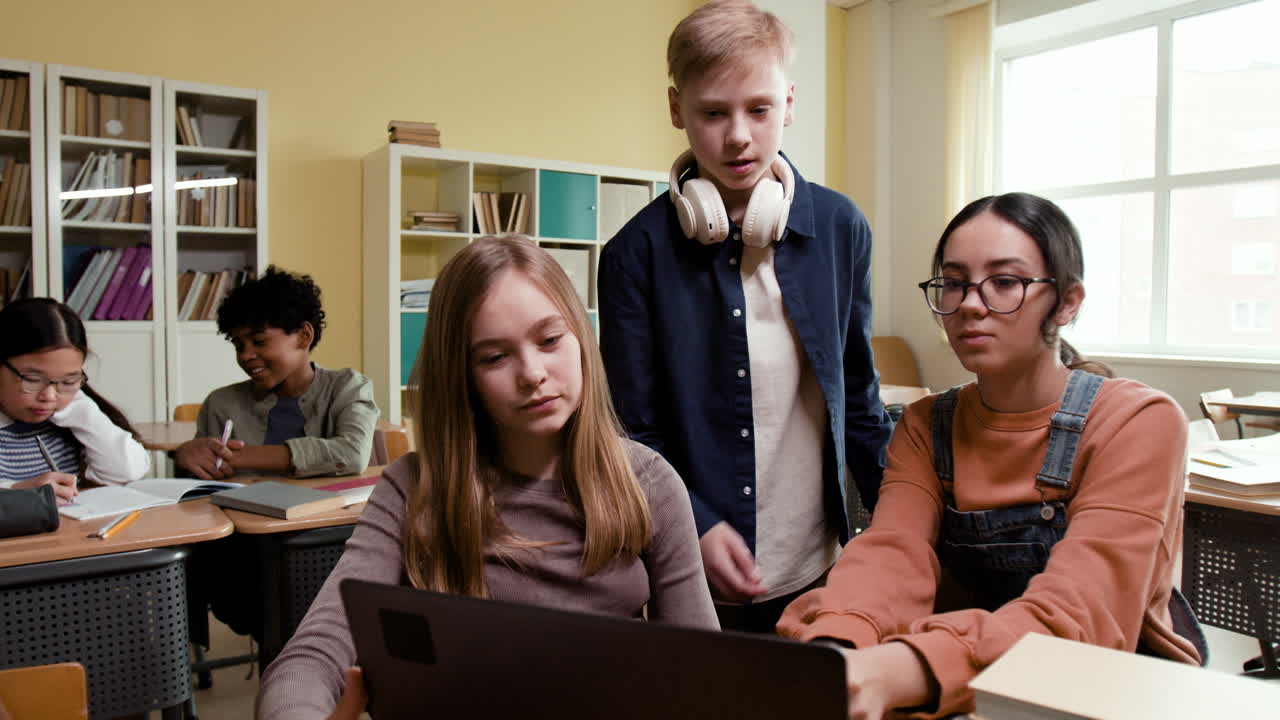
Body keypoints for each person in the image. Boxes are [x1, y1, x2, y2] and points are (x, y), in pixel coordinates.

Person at [777, 193, 1206, 719]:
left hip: (1107, 683)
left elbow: (1081, 617)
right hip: (966, 676)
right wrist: (839, 648)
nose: (971, 304)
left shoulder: (1138, 421)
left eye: (1005, 282)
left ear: (1067, 302)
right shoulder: (924, 424)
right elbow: (889, 557)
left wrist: (895, 670)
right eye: (954, 283)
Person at [257, 236, 717, 719]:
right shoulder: (411, 488)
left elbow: (704, 670)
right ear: (463, 376)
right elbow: (312, 656)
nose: (533, 373)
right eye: (495, 357)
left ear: (581, 337)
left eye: (550, 340)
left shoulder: (650, 481)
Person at [598, 0, 892, 632]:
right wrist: (696, 526)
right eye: (712, 112)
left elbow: (860, 402)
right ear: (677, 109)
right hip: (687, 576)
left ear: (788, 103)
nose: (738, 135)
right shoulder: (633, 257)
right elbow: (629, 436)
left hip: (819, 569)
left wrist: (904, 529)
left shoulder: (843, 229)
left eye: (759, 109)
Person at [173, 266, 378, 479]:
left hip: (323, 512)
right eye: (239, 345)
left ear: (304, 336)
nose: (245, 355)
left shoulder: (348, 387)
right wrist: (185, 457)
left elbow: (352, 454)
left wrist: (236, 456)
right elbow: (197, 487)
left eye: (259, 341)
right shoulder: (221, 404)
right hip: (237, 512)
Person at [0, 297, 149, 501]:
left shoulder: (69, 419)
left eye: (68, 381)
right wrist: (19, 491)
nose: (49, 396)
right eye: (33, 379)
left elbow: (127, 471)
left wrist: (80, 409)